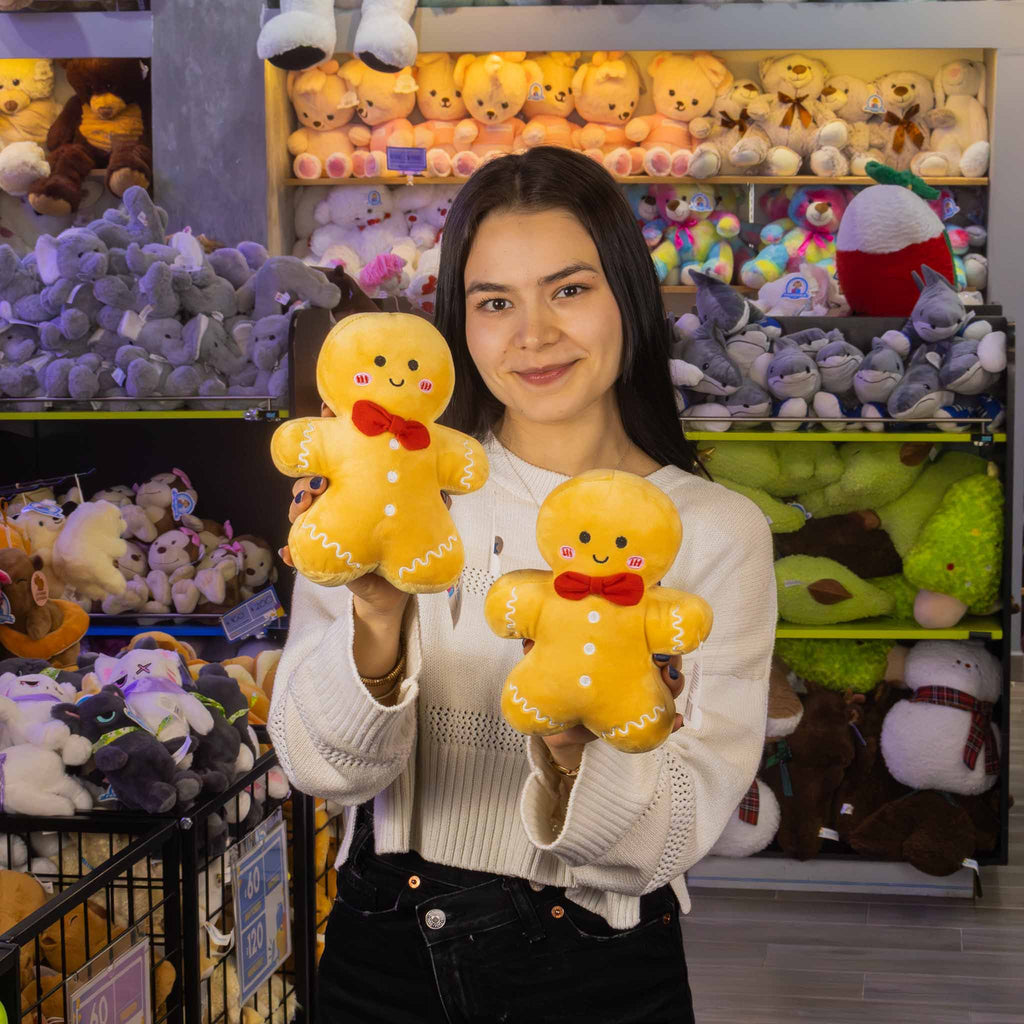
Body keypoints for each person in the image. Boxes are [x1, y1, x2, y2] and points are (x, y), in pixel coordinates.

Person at [268, 146, 776, 1024]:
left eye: (569, 290)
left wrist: (585, 749)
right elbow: (322, 770)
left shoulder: (719, 533)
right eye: (495, 302)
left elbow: (682, 831)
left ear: (628, 295)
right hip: (385, 953)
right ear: (457, 325)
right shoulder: (403, 494)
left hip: (602, 969)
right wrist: (375, 619)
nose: (533, 334)